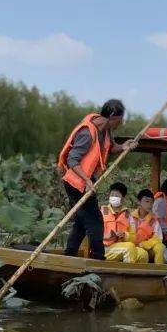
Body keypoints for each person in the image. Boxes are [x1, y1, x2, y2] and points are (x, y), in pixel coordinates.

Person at [57, 98, 125, 260]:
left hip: (86, 183)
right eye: (119, 121)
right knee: (95, 220)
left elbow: (111, 148)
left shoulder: (106, 130)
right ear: (112, 117)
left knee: (81, 222)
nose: (120, 124)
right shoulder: (87, 132)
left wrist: (124, 147)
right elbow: (72, 159)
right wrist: (87, 180)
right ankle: (98, 259)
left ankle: (69, 256)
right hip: (75, 183)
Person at [103, 182, 140, 264]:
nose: (113, 198)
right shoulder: (102, 211)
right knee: (129, 248)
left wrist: (125, 235)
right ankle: (127, 276)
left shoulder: (128, 215)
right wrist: (107, 236)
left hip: (120, 245)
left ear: (124, 198)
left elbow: (134, 237)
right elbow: (93, 233)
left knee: (143, 254)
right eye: (112, 195)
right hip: (104, 248)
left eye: (116, 196)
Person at [130, 189, 165, 264]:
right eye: (147, 201)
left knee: (160, 247)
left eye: (152, 202)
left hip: (148, 248)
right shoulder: (130, 216)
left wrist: (144, 245)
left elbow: (158, 238)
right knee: (141, 253)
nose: (150, 204)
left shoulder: (153, 220)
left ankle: (159, 272)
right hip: (133, 247)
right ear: (138, 202)